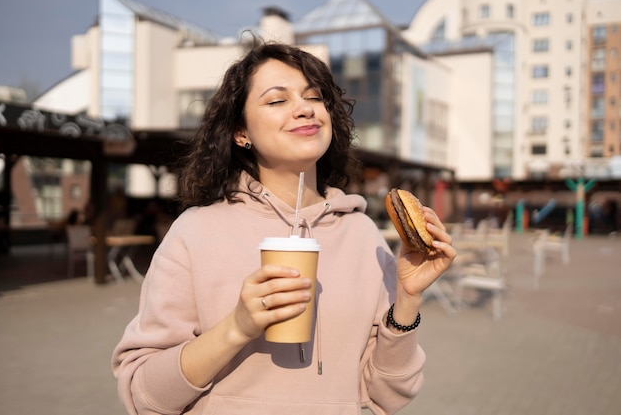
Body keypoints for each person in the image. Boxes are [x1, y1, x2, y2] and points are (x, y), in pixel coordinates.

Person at [112, 41, 456, 415]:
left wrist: (406, 299)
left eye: (314, 97)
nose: (305, 108)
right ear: (241, 132)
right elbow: (144, 397)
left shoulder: (362, 234)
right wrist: (237, 328)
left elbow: (387, 396)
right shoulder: (194, 233)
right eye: (277, 101)